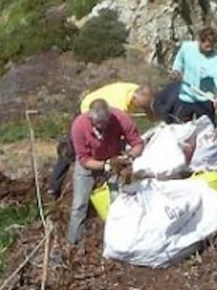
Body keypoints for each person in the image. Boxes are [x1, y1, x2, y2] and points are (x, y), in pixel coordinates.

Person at [50, 83, 155, 199]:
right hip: (88, 108)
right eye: (140, 106)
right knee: (69, 152)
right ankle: (54, 188)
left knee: (112, 150)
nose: (140, 109)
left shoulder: (137, 91)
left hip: (103, 114)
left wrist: (127, 156)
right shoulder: (117, 109)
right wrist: (108, 164)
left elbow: (136, 138)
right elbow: (85, 157)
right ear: (135, 99)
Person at [67, 98, 145, 246]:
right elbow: (84, 159)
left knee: (118, 201)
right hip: (88, 166)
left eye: (105, 123)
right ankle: (74, 242)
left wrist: (128, 157)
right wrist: (105, 165)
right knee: (79, 205)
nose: (102, 126)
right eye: (98, 124)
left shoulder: (121, 118)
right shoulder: (79, 126)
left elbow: (137, 144)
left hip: (114, 160)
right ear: (90, 118)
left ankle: (118, 239)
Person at [170, 27, 217, 125]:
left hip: (205, 98)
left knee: (206, 131)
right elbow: (179, 61)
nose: (210, 48)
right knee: (179, 129)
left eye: (212, 45)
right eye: (207, 45)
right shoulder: (187, 48)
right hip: (186, 96)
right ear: (200, 41)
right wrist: (176, 71)